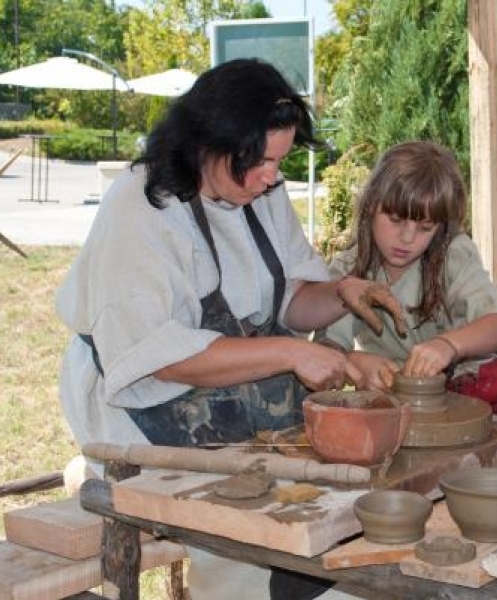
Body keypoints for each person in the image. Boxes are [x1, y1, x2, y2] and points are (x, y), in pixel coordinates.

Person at [55, 58, 403, 600]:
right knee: (242, 539)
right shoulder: (142, 205)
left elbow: (290, 300)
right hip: (136, 405)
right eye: (258, 161)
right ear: (207, 142)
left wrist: (339, 294)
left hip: (231, 394)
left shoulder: (261, 193)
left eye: (278, 162)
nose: (271, 176)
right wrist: (290, 355)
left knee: (313, 514)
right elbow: (160, 357)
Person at [315, 140, 497, 391]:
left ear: (440, 227)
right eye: (396, 219)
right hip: (400, 395)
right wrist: (353, 360)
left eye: (425, 228)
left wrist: (449, 345)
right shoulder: (348, 270)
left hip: (473, 386)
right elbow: (325, 350)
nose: (408, 238)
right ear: (370, 206)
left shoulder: (453, 254)